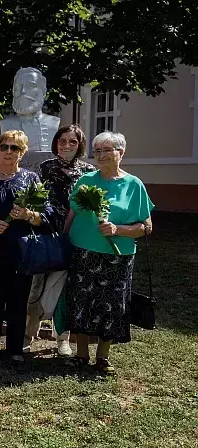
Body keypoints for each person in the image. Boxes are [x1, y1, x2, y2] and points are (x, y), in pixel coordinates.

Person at [63, 131, 154, 375]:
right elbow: (72, 213)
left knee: (112, 306)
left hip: (118, 256)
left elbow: (146, 226)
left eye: (107, 150)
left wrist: (118, 229)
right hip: (83, 251)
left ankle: (102, 357)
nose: (101, 155)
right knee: (81, 302)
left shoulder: (133, 185)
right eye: (98, 151)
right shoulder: (86, 181)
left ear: (121, 153)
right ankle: (81, 354)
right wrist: (63, 240)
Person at [0, 130, 51, 363]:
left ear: (22, 153)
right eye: (4, 147)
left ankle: (16, 350)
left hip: (20, 251)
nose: (9, 152)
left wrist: (28, 214)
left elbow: (46, 216)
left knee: (18, 302)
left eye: (15, 148)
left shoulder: (31, 180)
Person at [23, 124, 96, 357]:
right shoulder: (45, 168)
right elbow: (36, 200)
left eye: (72, 142)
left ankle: (62, 337)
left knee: (65, 288)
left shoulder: (88, 172)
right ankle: (28, 332)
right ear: (55, 142)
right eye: (62, 141)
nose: (66, 145)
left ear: (79, 145)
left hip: (75, 235)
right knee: (36, 283)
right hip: (45, 232)